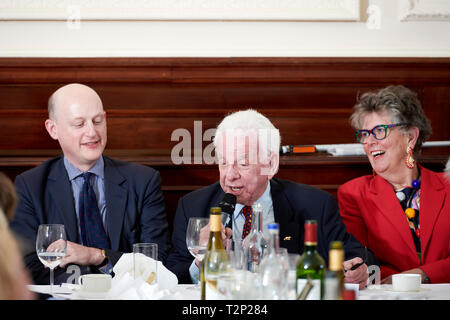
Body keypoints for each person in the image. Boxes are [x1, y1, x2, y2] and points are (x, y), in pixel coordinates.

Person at [167, 109, 376, 289]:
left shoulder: (314, 204)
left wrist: (357, 271)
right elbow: (173, 276)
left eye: (243, 163)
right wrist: (202, 258)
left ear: (271, 165)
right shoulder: (193, 206)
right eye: (223, 162)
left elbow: (357, 258)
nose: (229, 175)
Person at [10, 83, 171, 285]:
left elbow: (157, 262)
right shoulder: (30, 186)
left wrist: (97, 256)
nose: (92, 132)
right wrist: (85, 287)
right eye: (79, 124)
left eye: (97, 121)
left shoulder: (143, 181)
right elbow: (26, 267)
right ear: (53, 129)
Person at [338, 85, 450, 284]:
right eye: (364, 134)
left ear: (411, 136)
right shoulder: (353, 194)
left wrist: (420, 275)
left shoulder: (447, 186)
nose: (369, 142)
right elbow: (360, 261)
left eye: (379, 131)